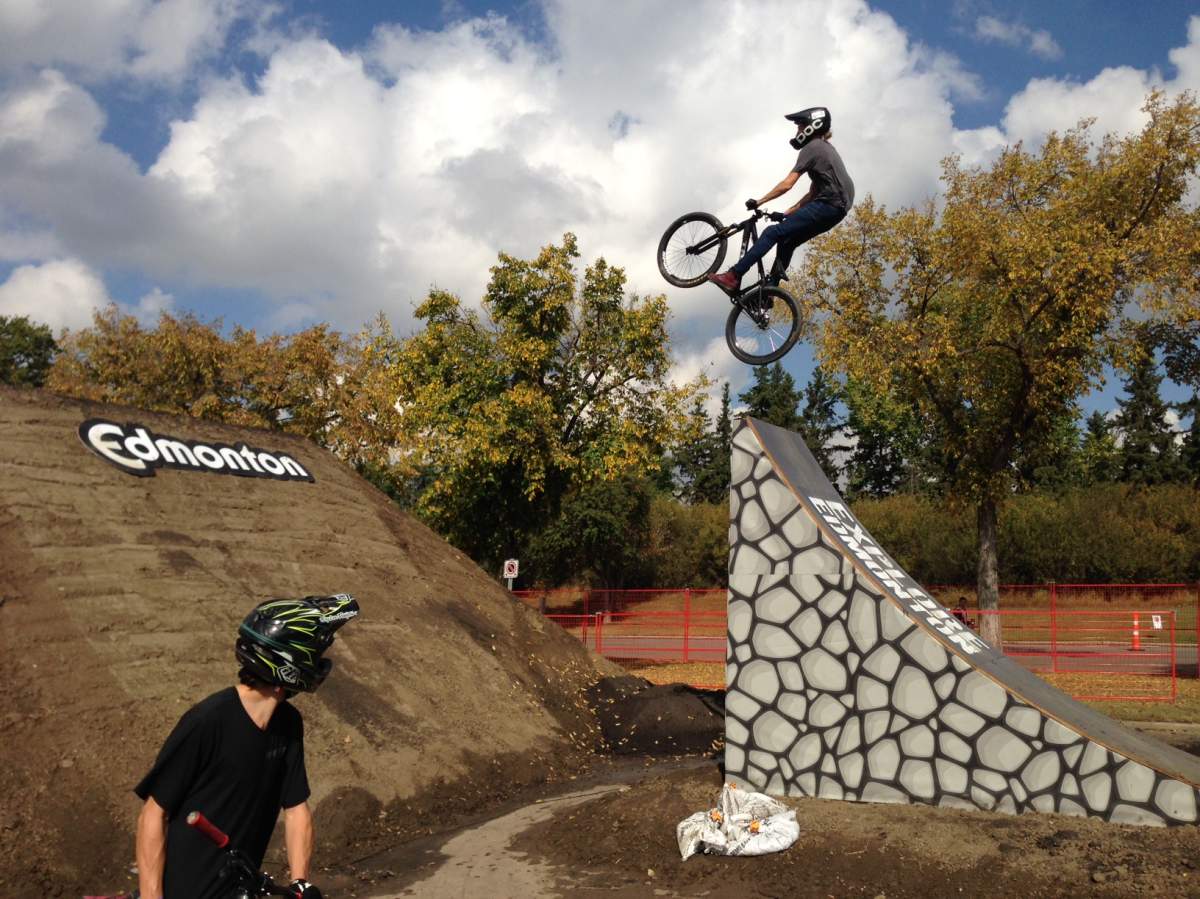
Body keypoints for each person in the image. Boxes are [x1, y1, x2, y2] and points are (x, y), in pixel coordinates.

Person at [134, 594, 360, 899]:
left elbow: (296, 810)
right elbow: (153, 813)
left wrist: (300, 882)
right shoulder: (208, 721)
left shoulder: (288, 724)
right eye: (315, 651)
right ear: (292, 660)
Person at [708, 107, 855, 294]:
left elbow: (787, 184)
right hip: (837, 211)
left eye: (800, 126)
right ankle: (770, 291)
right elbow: (812, 194)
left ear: (812, 126)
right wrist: (785, 214)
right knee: (787, 241)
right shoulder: (826, 149)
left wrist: (759, 201)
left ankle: (733, 276)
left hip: (829, 204)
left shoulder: (813, 147)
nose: (797, 131)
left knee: (771, 233)